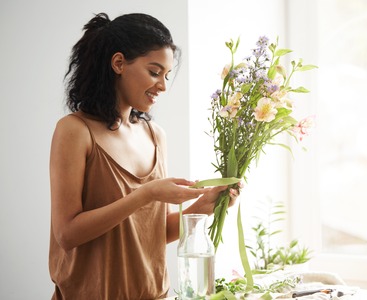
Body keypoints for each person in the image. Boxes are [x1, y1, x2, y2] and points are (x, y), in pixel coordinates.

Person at [49, 12, 238, 299]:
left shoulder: (155, 135)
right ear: (119, 63)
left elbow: (152, 233)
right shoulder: (75, 131)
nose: (162, 85)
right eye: (154, 71)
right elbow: (67, 234)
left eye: (166, 75)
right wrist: (146, 194)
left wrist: (203, 205)